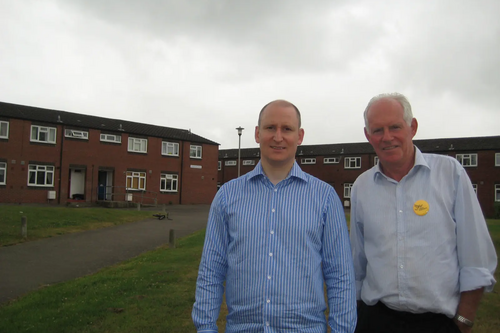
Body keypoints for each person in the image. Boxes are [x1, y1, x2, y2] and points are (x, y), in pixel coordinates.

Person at [192, 100, 357, 332]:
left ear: (299, 136)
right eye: (270, 128)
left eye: (286, 129)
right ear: (257, 134)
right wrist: (206, 327)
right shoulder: (227, 196)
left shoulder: (325, 198)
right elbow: (211, 270)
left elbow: (340, 276)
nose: (278, 137)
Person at [350, 93, 497, 333]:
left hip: (437, 323)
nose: (387, 137)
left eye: (395, 127)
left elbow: (476, 257)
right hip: (375, 320)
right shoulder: (361, 187)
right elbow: (358, 263)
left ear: (413, 127)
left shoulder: (450, 174)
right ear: (368, 135)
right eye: (377, 130)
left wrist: (464, 320)